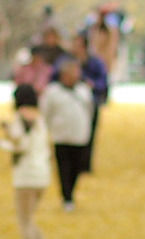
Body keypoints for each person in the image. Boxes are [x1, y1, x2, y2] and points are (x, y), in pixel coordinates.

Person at [0, 83, 57, 239]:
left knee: (24, 221)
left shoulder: (19, 118)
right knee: (30, 219)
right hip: (42, 174)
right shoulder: (40, 119)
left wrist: (1, 140)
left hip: (25, 176)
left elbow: (19, 145)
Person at [41, 57, 95, 211]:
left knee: (77, 167)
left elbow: (89, 111)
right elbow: (46, 112)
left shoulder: (84, 91)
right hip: (61, 136)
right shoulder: (52, 92)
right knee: (63, 168)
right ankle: (67, 197)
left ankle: (70, 192)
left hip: (79, 135)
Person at [71, 31, 110, 172]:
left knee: (89, 135)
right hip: (70, 105)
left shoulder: (95, 63)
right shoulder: (65, 62)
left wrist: (91, 84)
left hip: (90, 103)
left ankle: (85, 166)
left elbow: (103, 82)